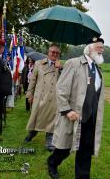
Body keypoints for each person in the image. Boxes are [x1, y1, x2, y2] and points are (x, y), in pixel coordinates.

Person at [47, 37, 105, 179]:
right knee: (64, 149)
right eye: (99, 47)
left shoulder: (98, 69)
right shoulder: (74, 63)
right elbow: (61, 89)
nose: (101, 50)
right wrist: (67, 110)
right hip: (73, 116)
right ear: (89, 48)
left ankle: (82, 176)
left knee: (85, 150)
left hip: (90, 118)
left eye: (102, 48)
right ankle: (52, 162)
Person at [24, 44, 62, 151]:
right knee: (37, 118)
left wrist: (60, 69)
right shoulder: (38, 64)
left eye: (57, 53)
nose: (54, 54)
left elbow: (65, 81)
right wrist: (29, 94)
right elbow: (33, 81)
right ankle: (32, 133)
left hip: (53, 98)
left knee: (51, 120)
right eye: (52, 52)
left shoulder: (61, 66)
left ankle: (49, 141)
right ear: (48, 52)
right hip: (40, 97)